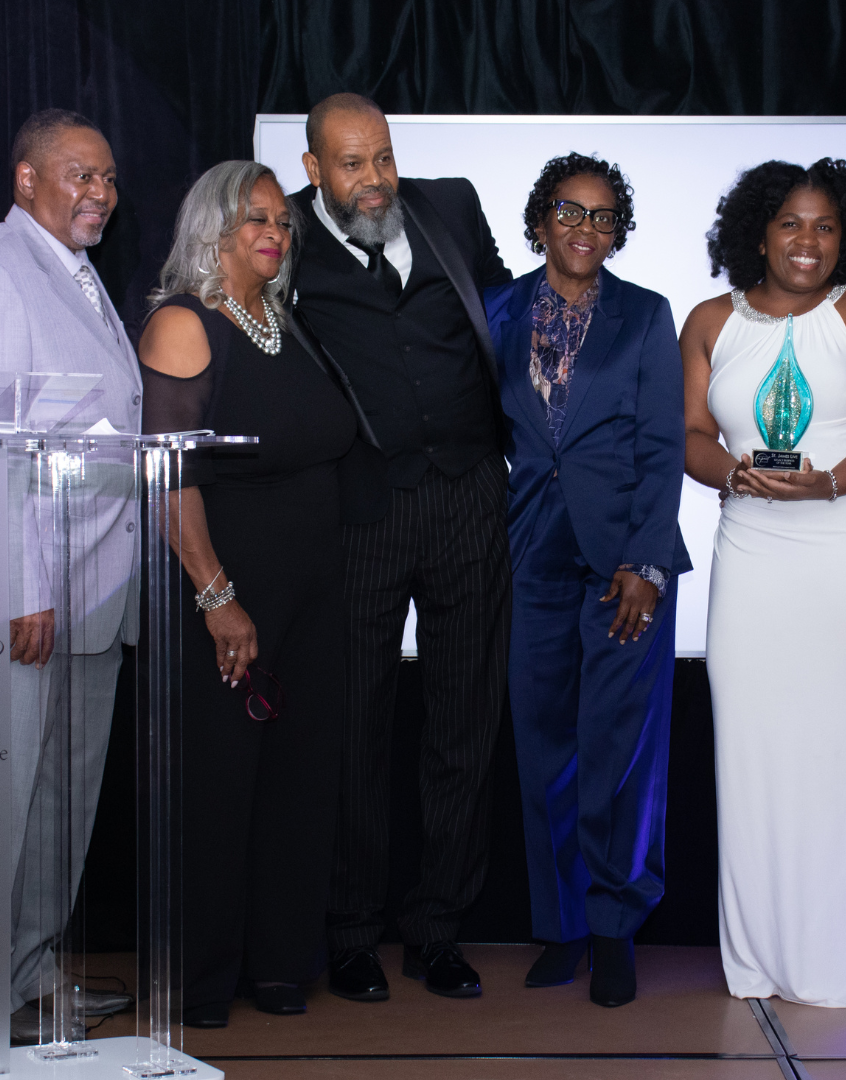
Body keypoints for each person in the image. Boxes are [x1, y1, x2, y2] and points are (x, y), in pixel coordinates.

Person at [683, 158, 846, 1007]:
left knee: (845, 748)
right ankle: (760, 955)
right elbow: (689, 433)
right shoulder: (710, 321)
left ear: (845, 236)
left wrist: (829, 482)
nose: (807, 240)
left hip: (845, 548)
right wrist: (731, 474)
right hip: (751, 554)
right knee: (755, 749)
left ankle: (843, 959)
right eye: (790, 222)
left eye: (825, 226)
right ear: (757, 233)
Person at [290, 93, 512, 1001]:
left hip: (470, 496)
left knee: (465, 720)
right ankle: (350, 932)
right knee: (355, 728)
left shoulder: (450, 202)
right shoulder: (279, 233)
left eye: (382, 157)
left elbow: (505, 310)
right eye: (352, 164)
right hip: (362, 509)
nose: (375, 179)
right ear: (315, 170)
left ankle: (437, 929)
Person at [139, 160, 368, 1027]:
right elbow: (170, 480)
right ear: (213, 228)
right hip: (228, 594)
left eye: (280, 220)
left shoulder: (282, 318)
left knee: (299, 780)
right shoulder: (185, 323)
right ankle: (201, 979)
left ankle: (278, 964)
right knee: (219, 785)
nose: (275, 232)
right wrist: (216, 596)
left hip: (312, 593)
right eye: (254, 219)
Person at [485, 152, 690, 1008]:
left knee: (618, 749)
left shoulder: (646, 315)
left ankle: (614, 928)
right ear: (540, 220)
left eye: (603, 217)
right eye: (570, 211)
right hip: (529, 553)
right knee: (544, 749)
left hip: (624, 565)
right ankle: (563, 923)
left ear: (618, 232)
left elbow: (663, 447)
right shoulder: (495, 310)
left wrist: (646, 562)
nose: (585, 228)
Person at [0, 109, 141, 1040]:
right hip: (33, 597)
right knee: (5, 808)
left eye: (108, 178)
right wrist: (22, 584)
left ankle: (30, 975)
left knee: (62, 809)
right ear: (27, 179)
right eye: (82, 176)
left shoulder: (73, 270)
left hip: (99, 589)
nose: (101, 194)